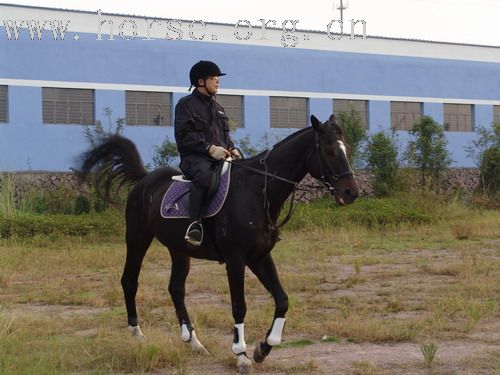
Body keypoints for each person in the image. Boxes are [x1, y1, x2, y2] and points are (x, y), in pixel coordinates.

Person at [174, 60, 242, 246]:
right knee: (206, 178)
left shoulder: (218, 108)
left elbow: (225, 136)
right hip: (195, 159)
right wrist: (209, 149)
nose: (217, 81)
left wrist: (232, 148)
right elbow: (184, 135)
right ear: (201, 81)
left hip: (221, 158)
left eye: (217, 78)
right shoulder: (185, 105)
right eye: (214, 78)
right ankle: (195, 225)